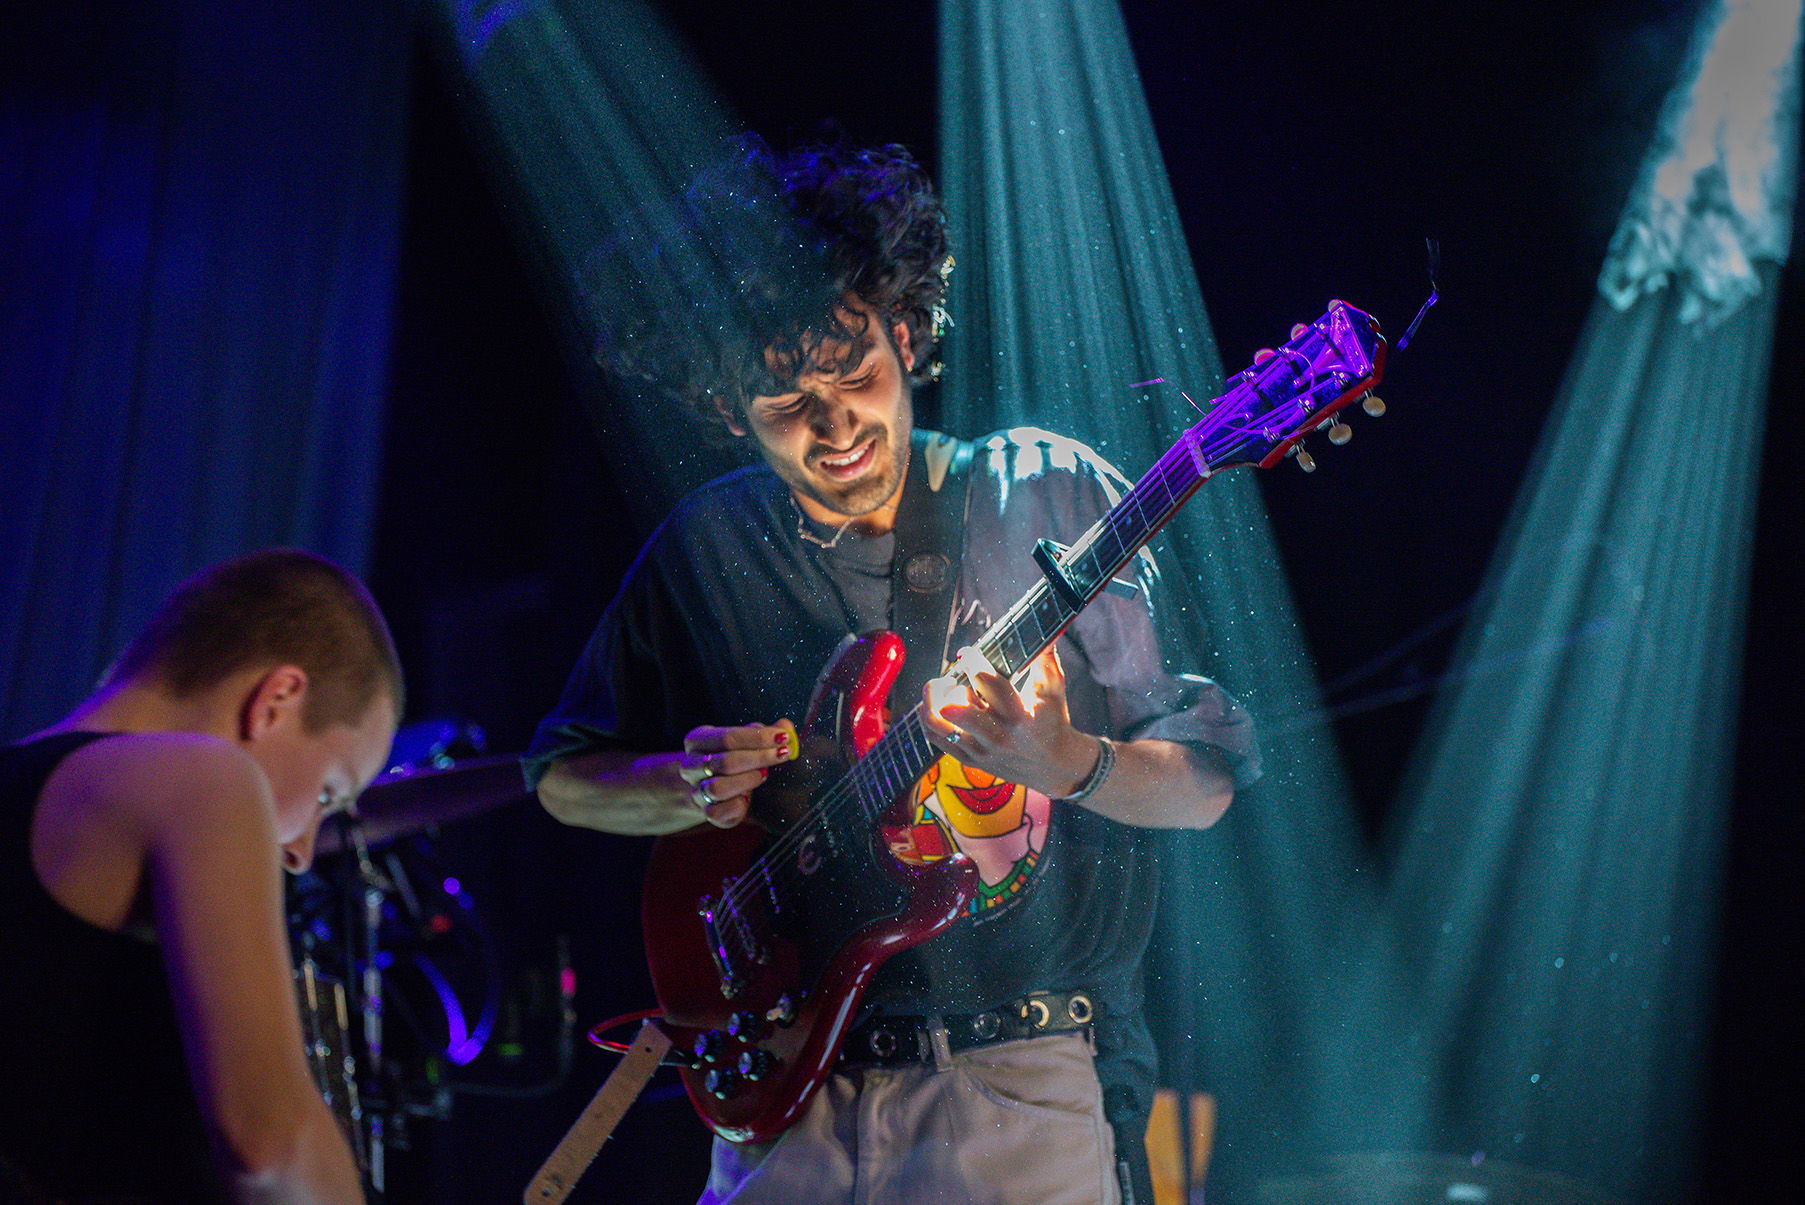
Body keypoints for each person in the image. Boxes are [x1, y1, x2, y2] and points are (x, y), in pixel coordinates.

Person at [529, 144, 1258, 1205]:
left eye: (854, 374)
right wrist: (673, 787)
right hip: (786, 1086)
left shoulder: (1041, 492)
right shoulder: (706, 550)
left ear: (904, 334)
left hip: (1016, 1087)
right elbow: (556, 775)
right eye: (784, 401)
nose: (834, 428)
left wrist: (1062, 758)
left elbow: (1207, 783)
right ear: (729, 409)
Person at [0, 549, 400, 1204]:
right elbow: (269, 1141)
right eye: (330, 792)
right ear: (276, 699)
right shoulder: (203, 776)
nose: (301, 850)